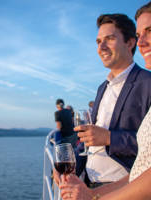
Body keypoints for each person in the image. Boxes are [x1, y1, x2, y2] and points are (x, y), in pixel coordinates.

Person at [58, 2, 151, 199]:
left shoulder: (147, 82)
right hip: (90, 182)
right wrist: (70, 169)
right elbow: (89, 142)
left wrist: (109, 138)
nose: (101, 47)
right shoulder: (103, 87)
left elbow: (146, 148)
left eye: (109, 39)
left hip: (125, 187)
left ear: (130, 42)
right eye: (98, 41)